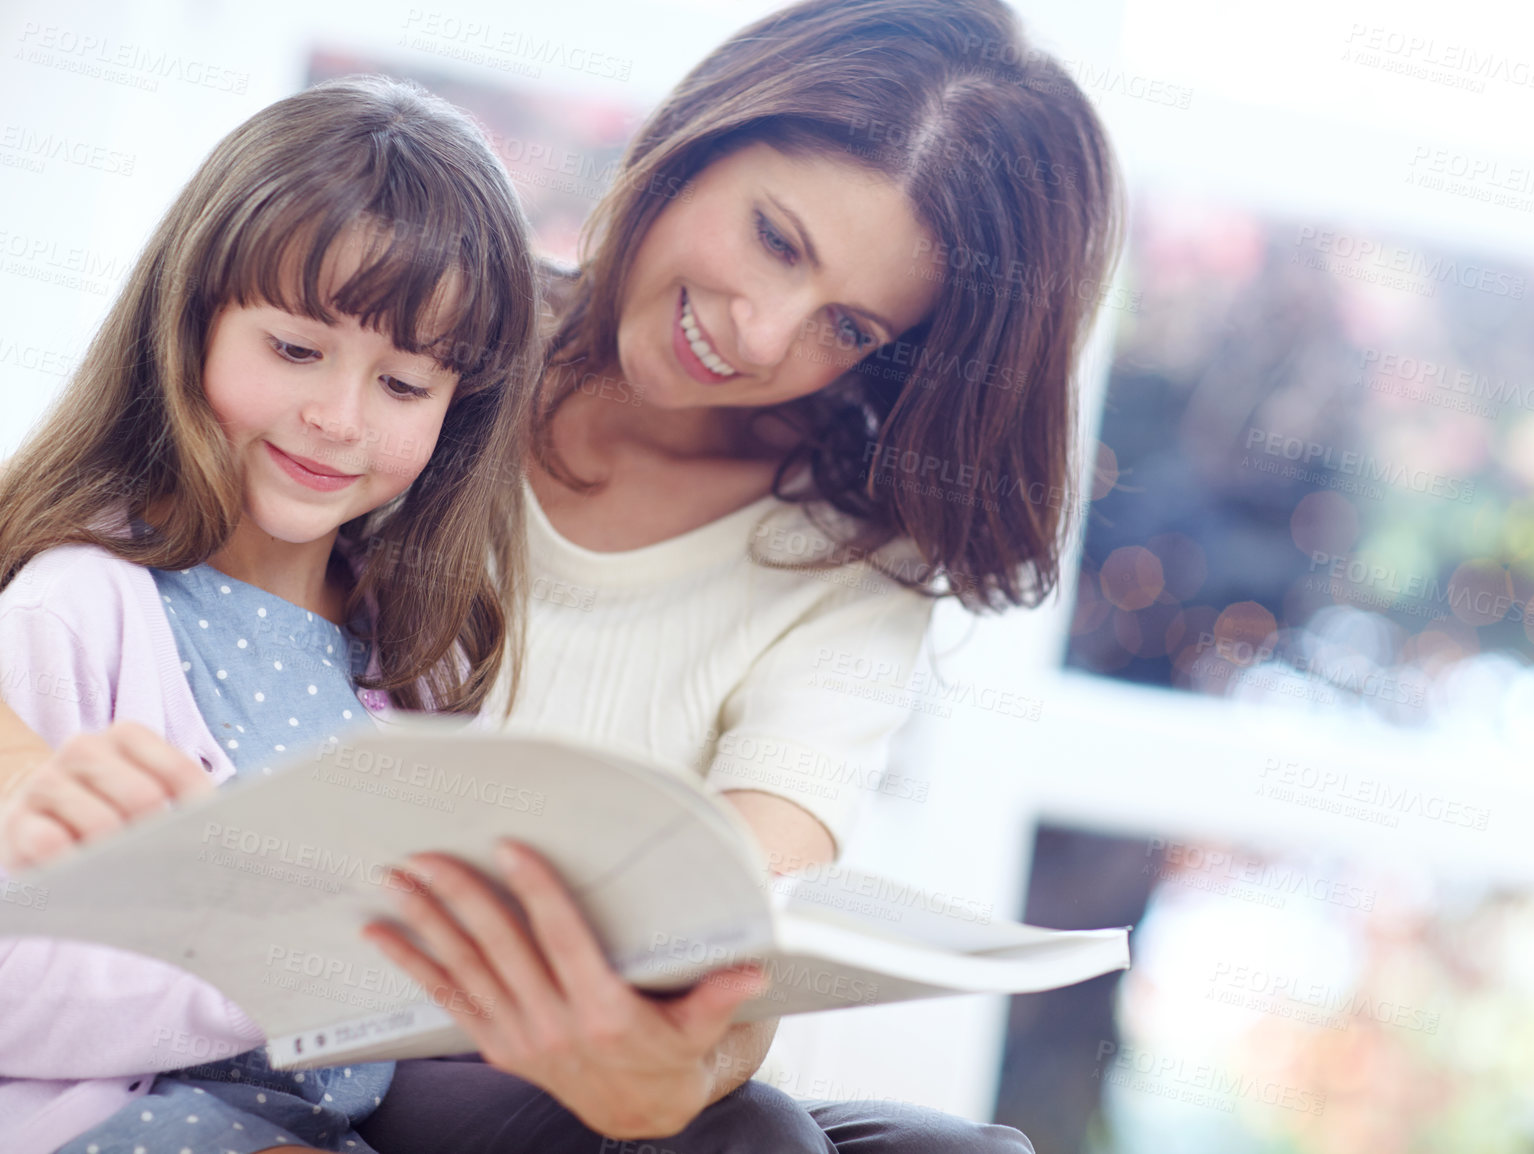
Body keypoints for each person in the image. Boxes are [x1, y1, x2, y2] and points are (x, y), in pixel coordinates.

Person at [0, 0, 1124, 1148]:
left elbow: (733, 933)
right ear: (696, 140)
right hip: (340, 1046)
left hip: (539, 1044)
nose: (763, 333)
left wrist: (677, 1067)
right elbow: (93, 541)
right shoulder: (424, 335)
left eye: (850, 325)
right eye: (776, 239)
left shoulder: (843, 561)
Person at [0, 76, 546, 1154]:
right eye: (295, 350)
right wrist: (305, 964)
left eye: (404, 384)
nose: (338, 419)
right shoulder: (80, 606)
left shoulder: (412, 662)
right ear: (192, 321)